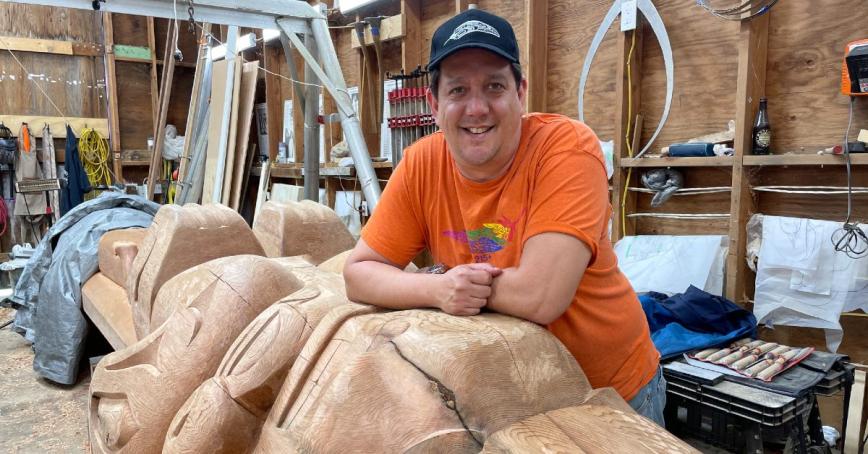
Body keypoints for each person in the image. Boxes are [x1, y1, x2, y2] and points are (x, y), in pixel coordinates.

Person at [343, 8, 665, 426]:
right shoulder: (421, 163)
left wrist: (453, 284)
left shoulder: (566, 149)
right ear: (435, 104)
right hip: (506, 398)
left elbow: (540, 297)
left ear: (520, 93)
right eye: (458, 90)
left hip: (608, 393)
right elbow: (358, 275)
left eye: (494, 86)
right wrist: (438, 288)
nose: (477, 108)